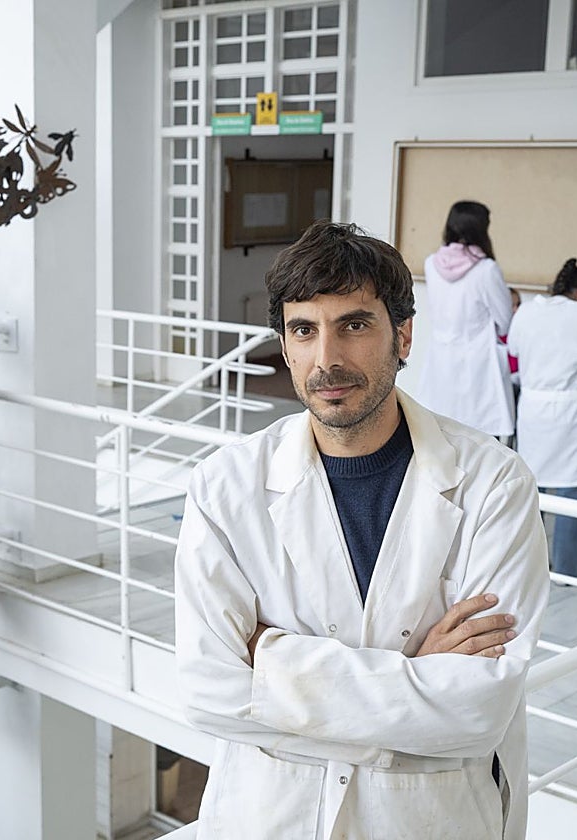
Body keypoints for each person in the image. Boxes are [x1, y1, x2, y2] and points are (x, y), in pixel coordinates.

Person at [175, 221, 549, 840]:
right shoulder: (225, 487)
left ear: (402, 335)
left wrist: (273, 661)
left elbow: (479, 707)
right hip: (270, 820)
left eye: (354, 324)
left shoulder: (494, 484)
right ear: (285, 346)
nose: (328, 359)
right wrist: (416, 676)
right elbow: (209, 691)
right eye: (304, 330)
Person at [506, 259, 577, 579]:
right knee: (570, 495)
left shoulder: (526, 311)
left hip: (534, 411)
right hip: (572, 413)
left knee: (532, 495)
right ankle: (567, 570)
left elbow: (513, 346)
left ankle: (529, 569)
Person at [418, 200, 515, 438]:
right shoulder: (486, 269)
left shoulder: (431, 264)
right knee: (479, 444)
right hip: (478, 368)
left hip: (440, 363)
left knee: (442, 436)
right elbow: (505, 320)